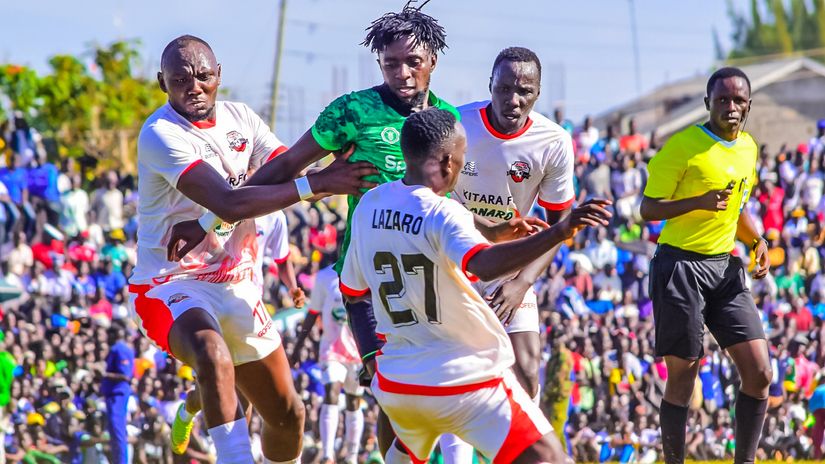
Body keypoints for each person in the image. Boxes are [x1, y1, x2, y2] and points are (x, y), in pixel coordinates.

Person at [164, 4, 539, 456]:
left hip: (438, 276)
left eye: (413, 62)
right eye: (390, 63)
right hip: (374, 278)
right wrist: (210, 219)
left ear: (433, 61)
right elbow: (285, 165)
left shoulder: (449, 120)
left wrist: (495, 233)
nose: (402, 73)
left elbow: (444, 207)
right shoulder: (353, 111)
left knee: (445, 385)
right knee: (389, 394)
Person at [131, 34, 374, 464]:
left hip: (240, 286)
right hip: (172, 282)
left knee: (289, 417)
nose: (195, 87)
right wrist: (320, 183)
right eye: (180, 79)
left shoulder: (241, 117)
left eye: (204, 76)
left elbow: (284, 167)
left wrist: (322, 171)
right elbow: (228, 200)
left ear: (219, 74)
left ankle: (196, 403)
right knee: (212, 353)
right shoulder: (160, 133)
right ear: (162, 82)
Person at [339, 108, 611, 463]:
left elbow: (353, 294)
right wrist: (561, 231)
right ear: (448, 162)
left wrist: (373, 360)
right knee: (551, 458)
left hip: (399, 387)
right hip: (463, 381)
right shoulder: (442, 212)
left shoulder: (369, 206)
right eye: (463, 155)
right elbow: (483, 265)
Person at [446, 46, 575, 459]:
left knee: (528, 366)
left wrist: (521, 283)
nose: (513, 100)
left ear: (537, 93)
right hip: (452, 260)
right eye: (504, 89)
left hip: (510, 267)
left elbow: (559, 227)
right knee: (456, 369)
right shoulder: (457, 124)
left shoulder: (553, 141)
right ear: (490, 86)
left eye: (524, 91)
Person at [639, 67, 772, 464]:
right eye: (723, 100)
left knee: (760, 372)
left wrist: (757, 240)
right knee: (684, 374)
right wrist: (697, 201)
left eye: (738, 100)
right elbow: (647, 209)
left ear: (748, 104)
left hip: (724, 266)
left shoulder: (748, 148)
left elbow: (737, 208)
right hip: (679, 267)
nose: (731, 107)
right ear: (708, 104)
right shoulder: (682, 147)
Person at [292, 265, 363, 464]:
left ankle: (352, 457)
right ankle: (327, 454)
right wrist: (298, 346)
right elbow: (312, 313)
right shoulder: (324, 277)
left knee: (353, 401)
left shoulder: (363, 269)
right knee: (331, 392)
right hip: (331, 350)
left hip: (358, 351)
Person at [100, 321, 134, 464]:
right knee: (114, 431)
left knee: (118, 430)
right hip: (112, 394)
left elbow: (125, 375)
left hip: (118, 393)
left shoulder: (120, 349)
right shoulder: (116, 349)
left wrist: (103, 373)